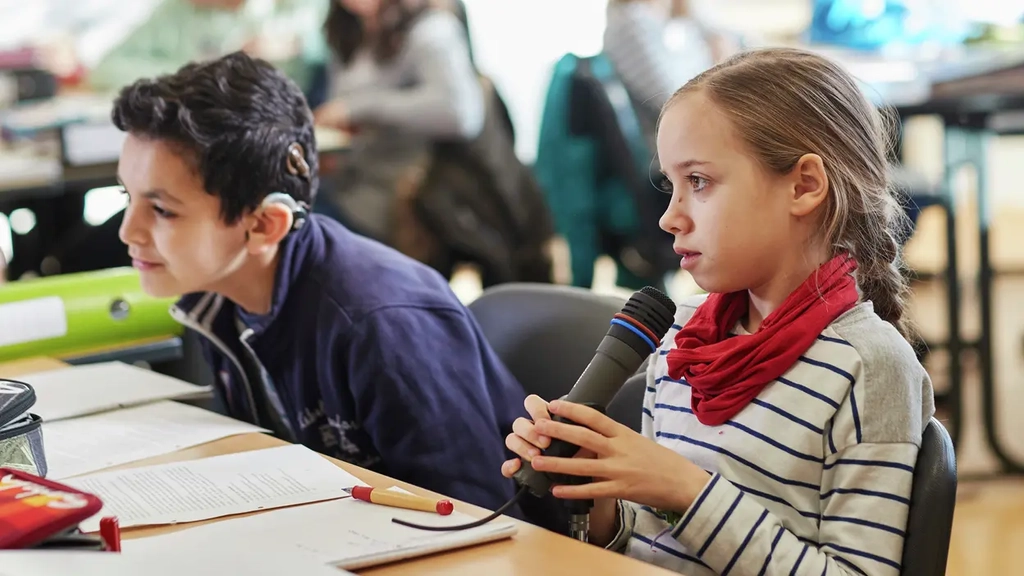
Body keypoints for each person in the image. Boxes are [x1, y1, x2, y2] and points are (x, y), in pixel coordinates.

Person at [502, 47, 935, 575]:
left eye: (699, 183)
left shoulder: (870, 368)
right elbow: (656, 543)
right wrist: (599, 502)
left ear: (804, 186)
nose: (669, 218)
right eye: (670, 185)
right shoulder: (687, 333)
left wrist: (686, 490)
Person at [112, 51, 528, 514]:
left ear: (265, 225)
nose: (127, 231)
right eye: (126, 196)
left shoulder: (382, 324)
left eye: (163, 210)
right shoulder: (219, 296)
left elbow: (475, 518)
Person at [311, 0, 483, 245]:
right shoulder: (350, 28)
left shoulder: (430, 30)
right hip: (343, 185)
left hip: (398, 199)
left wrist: (361, 108)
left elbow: (461, 114)